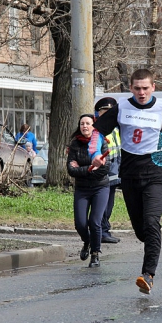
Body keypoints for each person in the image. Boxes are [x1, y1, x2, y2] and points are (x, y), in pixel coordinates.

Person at [90, 69, 162, 294]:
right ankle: (152, 244)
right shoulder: (122, 107)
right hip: (130, 175)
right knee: (141, 231)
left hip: (157, 171)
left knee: (151, 221)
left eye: (146, 88)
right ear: (131, 89)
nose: (142, 93)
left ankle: (148, 275)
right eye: (137, 88)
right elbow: (97, 131)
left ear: (153, 87)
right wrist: (95, 152)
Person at [67, 114, 110, 268]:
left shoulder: (102, 142)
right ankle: (87, 241)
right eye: (82, 124)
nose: (84, 126)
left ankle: (95, 254)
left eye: (87, 123)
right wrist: (91, 168)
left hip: (100, 187)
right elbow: (71, 170)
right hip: (82, 189)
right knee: (80, 224)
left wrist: (83, 169)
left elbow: (105, 169)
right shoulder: (75, 144)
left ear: (93, 126)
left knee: (95, 221)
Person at [94, 97, 122, 244]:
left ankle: (105, 229)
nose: (108, 114)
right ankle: (102, 232)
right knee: (103, 204)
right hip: (103, 172)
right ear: (98, 113)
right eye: (104, 111)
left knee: (109, 204)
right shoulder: (97, 128)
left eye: (111, 111)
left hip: (114, 172)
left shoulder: (116, 128)